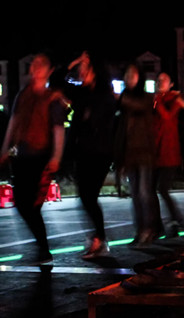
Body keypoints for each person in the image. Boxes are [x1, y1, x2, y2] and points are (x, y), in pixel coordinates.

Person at [0, 52, 68, 266]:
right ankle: (42, 247)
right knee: (20, 203)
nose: (36, 68)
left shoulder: (52, 97)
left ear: (48, 71)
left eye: (41, 65)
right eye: (34, 65)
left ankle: (44, 249)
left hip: (42, 156)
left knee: (33, 205)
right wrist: (5, 149)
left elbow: (59, 129)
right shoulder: (23, 95)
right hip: (22, 156)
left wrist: (56, 156)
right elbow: (13, 122)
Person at [63, 51, 117, 258]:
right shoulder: (80, 93)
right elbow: (58, 80)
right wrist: (75, 62)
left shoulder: (105, 94)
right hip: (82, 150)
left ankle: (99, 240)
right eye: (81, 70)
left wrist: (88, 119)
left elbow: (103, 121)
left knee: (88, 196)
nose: (81, 73)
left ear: (95, 72)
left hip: (100, 151)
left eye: (85, 69)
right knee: (85, 197)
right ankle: (99, 238)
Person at [114, 63, 158, 246]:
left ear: (140, 77)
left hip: (145, 153)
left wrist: (120, 98)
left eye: (133, 74)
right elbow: (120, 130)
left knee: (144, 192)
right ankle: (140, 231)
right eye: (127, 74)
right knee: (135, 195)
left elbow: (139, 106)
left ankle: (151, 229)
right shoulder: (123, 103)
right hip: (130, 154)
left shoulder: (146, 98)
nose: (129, 77)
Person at [153, 72, 184, 237]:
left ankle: (176, 219)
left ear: (171, 84)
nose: (161, 82)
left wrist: (158, 99)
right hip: (157, 151)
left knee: (163, 189)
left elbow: (166, 117)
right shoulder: (159, 100)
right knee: (154, 190)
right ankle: (163, 224)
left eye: (164, 80)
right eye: (159, 80)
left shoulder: (173, 100)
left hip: (170, 152)